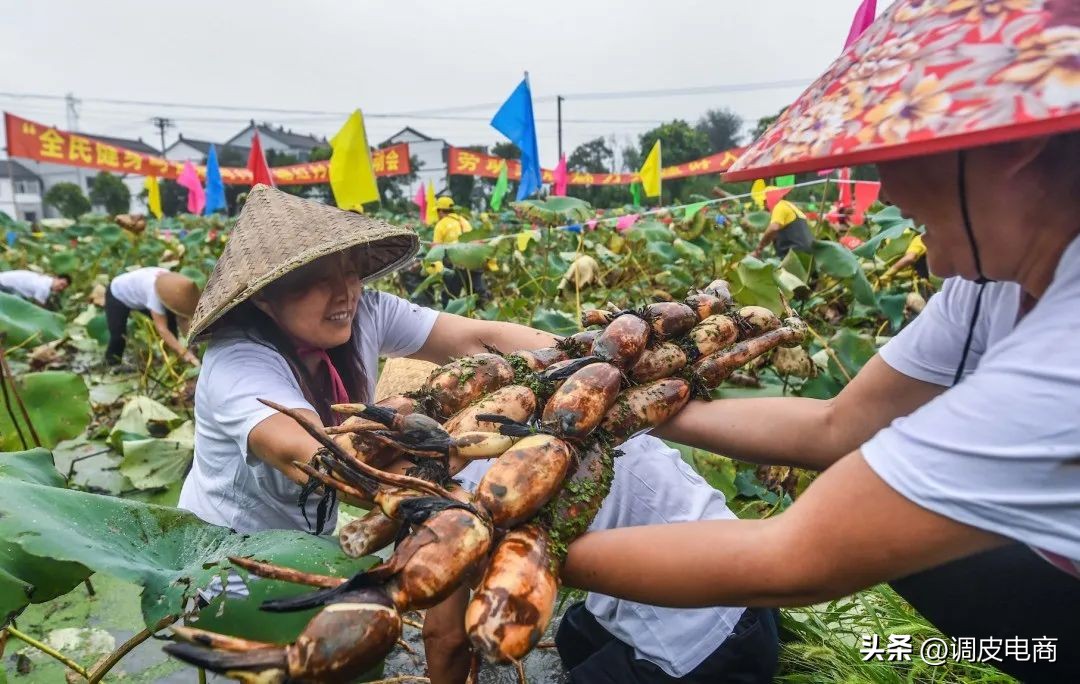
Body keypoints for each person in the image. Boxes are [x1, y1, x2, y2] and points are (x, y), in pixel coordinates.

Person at [560, 2, 1080, 681]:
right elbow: (841, 424)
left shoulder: (1065, 352)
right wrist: (627, 403)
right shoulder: (991, 282)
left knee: (880, 529)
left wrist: (514, 539)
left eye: (899, 143)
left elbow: (791, 560)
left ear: (1016, 143)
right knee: (908, 531)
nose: (883, 184)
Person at [177, 184, 553, 536]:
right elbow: (319, 457)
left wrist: (575, 350)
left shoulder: (365, 312)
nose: (345, 293)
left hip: (311, 542)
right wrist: (481, 502)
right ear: (263, 296)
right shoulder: (237, 363)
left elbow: (473, 340)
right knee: (445, 528)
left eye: (351, 271)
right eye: (319, 279)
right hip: (224, 564)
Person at [440, 436, 780, 684]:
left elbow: (446, 638)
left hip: (713, 645)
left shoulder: (459, 505)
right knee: (573, 635)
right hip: (750, 584)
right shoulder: (563, 401)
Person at [105, 267, 201, 367]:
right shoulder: (154, 294)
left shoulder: (174, 285)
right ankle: (112, 364)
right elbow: (162, 329)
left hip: (140, 293)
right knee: (118, 336)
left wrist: (192, 343)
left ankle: (172, 357)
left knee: (170, 321)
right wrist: (185, 353)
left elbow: (182, 318)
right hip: (118, 294)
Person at [431, 196, 486, 304]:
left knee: (450, 296)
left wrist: (435, 267)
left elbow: (435, 249)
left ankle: (449, 318)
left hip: (457, 262)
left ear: (441, 211)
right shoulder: (464, 221)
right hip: (474, 260)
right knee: (476, 294)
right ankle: (480, 315)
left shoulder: (441, 224)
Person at [750, 191, 813, 259]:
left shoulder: (779, 206)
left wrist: (759, 248)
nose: (764, 206)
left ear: (771, 199)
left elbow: (773, 228)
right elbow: (773, 234)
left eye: (765, 202)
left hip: (795, 254)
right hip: (808, 252)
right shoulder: (790, 206)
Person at [0, 269, 69, 306]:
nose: (61, 288)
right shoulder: (45, 287)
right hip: (4, 284)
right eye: (61, 284)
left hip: (4, 280)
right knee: (19, 305)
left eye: (64, 287)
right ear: (56, 278)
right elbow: (38, 306)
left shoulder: (45, 279)